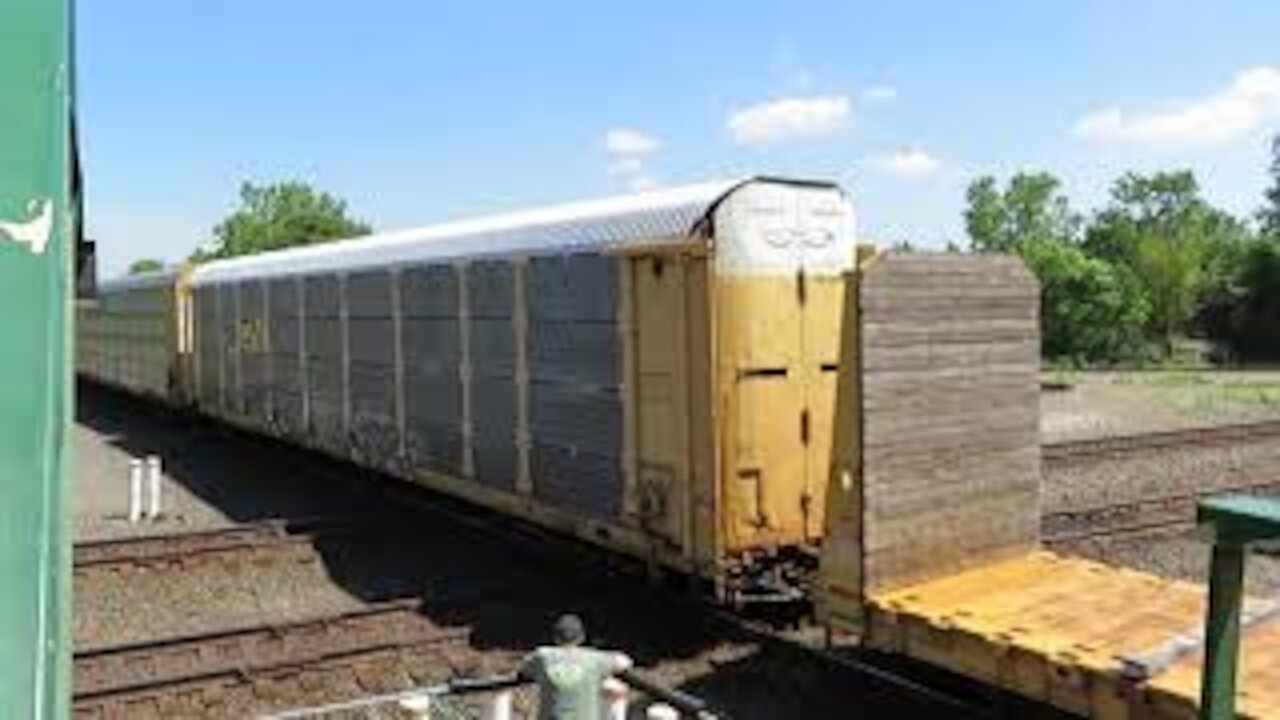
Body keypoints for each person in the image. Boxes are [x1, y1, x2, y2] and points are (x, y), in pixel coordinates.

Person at [518, 614, 634, 720]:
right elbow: (624, 662)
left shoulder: (542, 657)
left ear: (555, 638)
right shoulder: (595, 659)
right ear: (582, 638)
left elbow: (523, 669)